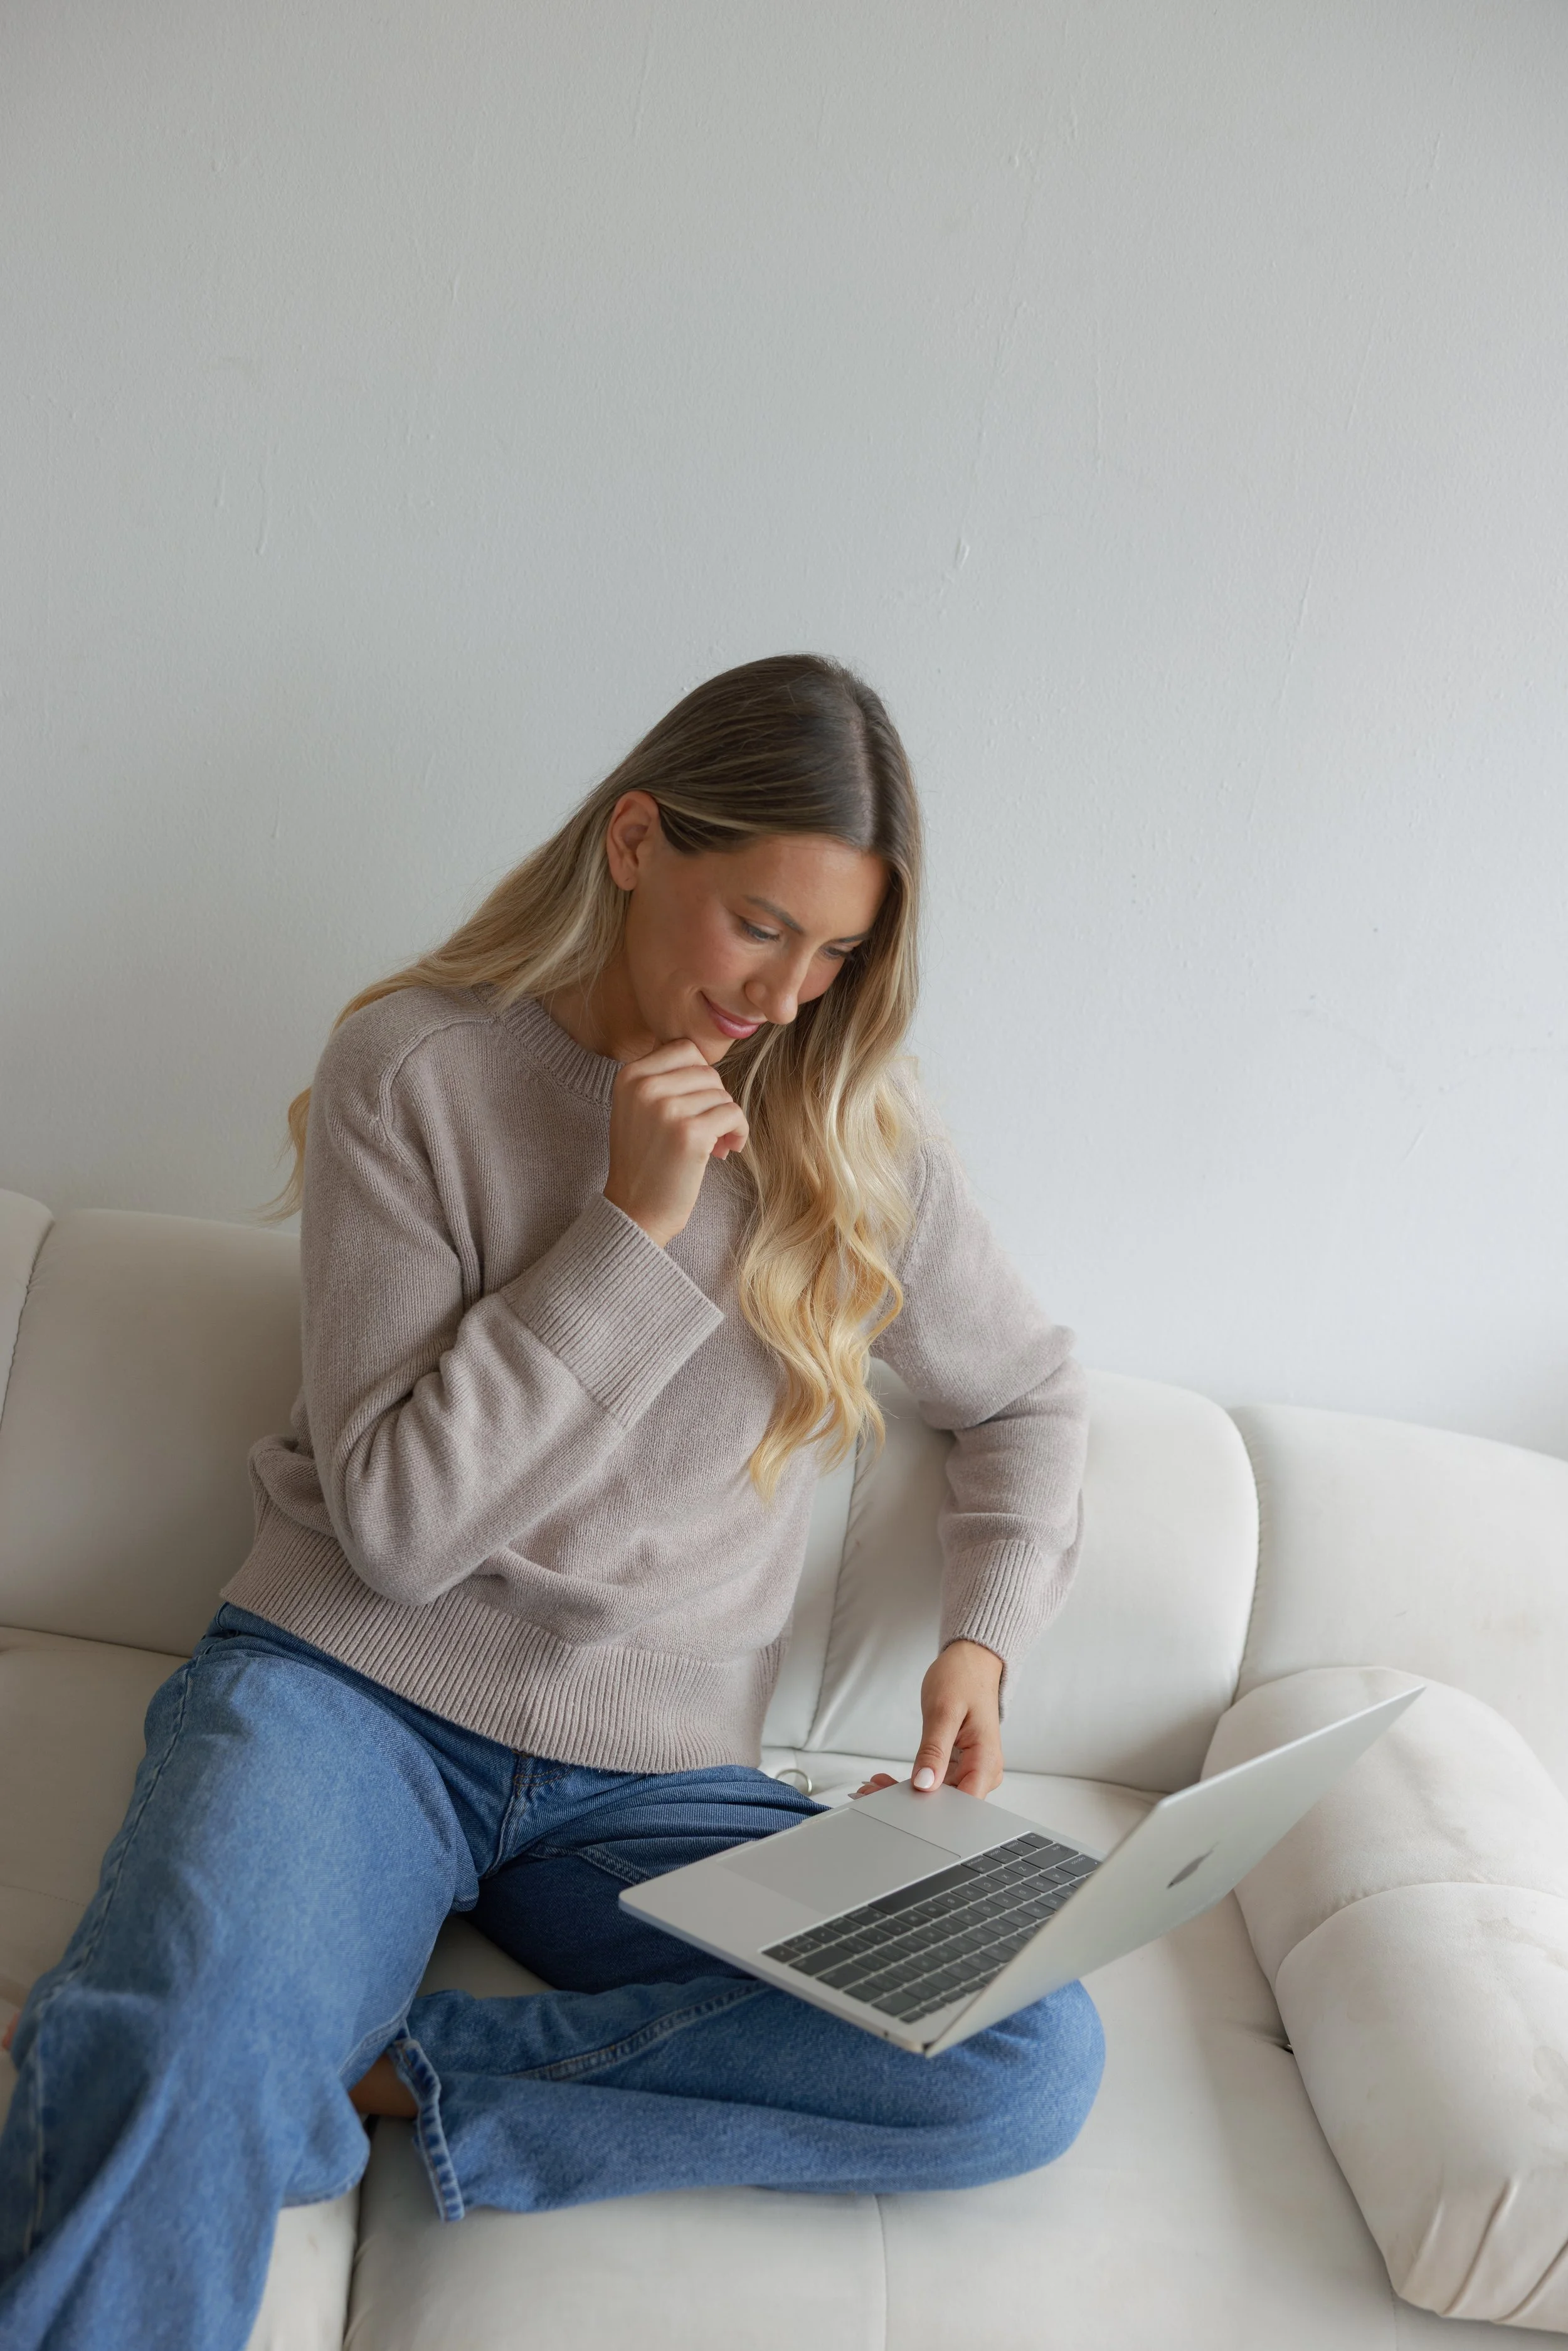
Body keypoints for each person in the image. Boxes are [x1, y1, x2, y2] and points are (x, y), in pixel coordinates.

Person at [0, 653, 1102, 2349]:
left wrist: (982, 1647)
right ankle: (244, 2063)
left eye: (835, 955)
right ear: (637, 840)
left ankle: (392, 2080)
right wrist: (629, 1235)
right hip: (351, 1695)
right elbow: (400, 1528)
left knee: (1027, 2046)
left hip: (652, 1789)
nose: (787, 996)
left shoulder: (854, 1144)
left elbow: (1028, 1395)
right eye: (758, 926)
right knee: (173, 2036)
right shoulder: (415, 1068)